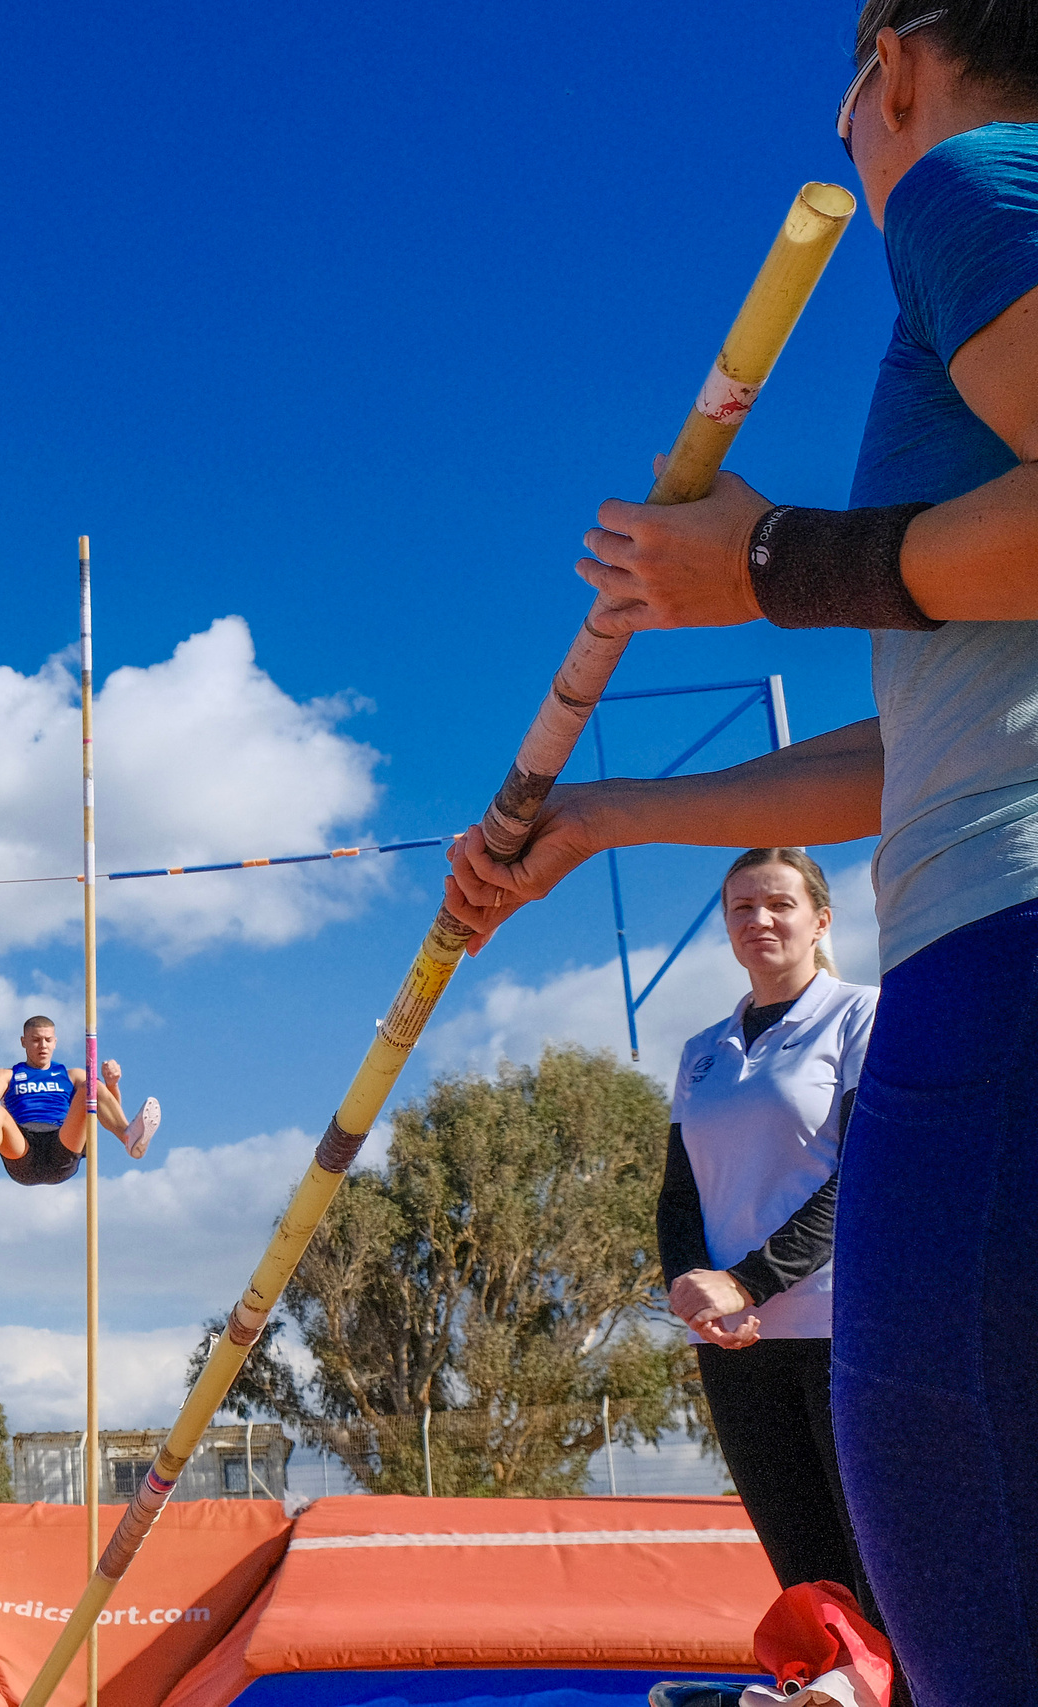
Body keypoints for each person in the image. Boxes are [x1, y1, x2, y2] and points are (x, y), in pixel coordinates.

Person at [445, 7, 1038, 1694]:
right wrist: (607, 818)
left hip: (1004, 960)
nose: (851, 120)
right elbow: (921, 742)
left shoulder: (973, 183)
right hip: (990, 916)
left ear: (898, 60)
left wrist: (770, 561)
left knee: (968, 1582)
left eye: (852, 86)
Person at [661, 849, 878, 1622]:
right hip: (736, 1346)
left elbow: (863, 1175)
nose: (760, 919)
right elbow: (680, 1197)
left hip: (840, 1336)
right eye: (742, 907)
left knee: (880, 1577)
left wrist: (751, 1278)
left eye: (780, 904)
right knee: (809, 1586)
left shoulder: (861, 1013)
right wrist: (695, 1293)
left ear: (820, 920)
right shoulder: (700, 1053)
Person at [0, 1014, 160, 1185]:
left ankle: (129, 1138)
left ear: (55, 1042)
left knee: (92, 1087)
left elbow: (105, 1108)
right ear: (23, 1042)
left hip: (62, 1145)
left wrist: (112, 1084)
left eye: (48, 1040)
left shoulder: (72, 1075)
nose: (43, 1045)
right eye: (35, 1040)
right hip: (23, 1151)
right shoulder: (6, 1074)